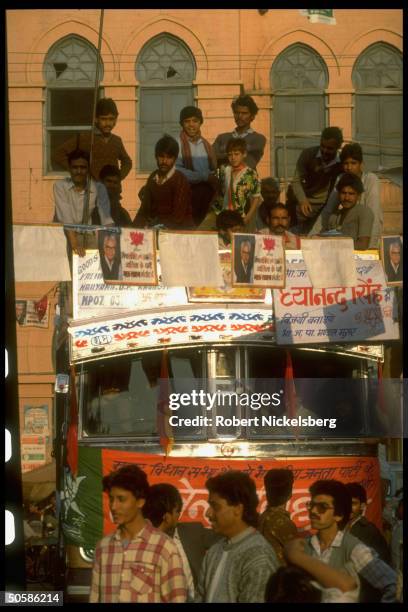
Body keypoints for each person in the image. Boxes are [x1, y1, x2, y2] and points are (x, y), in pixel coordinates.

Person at [89, 464, 187, 603]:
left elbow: (177, 599)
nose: (113, 506)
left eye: (121, 499)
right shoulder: (103, 548)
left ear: (140, 502)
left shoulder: (164, 548)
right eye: (111, 499)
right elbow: (94, 597)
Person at [300, 479, 397, 603]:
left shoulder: (355, 549)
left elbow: (393, 584)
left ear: (338, 515)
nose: (313, 511)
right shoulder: (303, 547)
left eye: (322, 507)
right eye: (311, 505)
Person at [196, 470, 279, 603]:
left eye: (215, 507)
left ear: (238, 509)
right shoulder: (214, 551)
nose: (208, 513)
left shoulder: (258, 556)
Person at [142, 483, 220, 600]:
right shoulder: (139, 547)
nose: (179, 516)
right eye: (177, 511)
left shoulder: (193, 532)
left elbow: (227, 536)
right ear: (167, 517)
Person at [317, 143, 383, 248]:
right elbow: (328, 210)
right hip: (350, 236)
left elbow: (374, 215)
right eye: (346, 163)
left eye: (353, 163)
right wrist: (312, 236)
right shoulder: (341, 179)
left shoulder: (370, 180)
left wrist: (371, 249)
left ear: (361, 164)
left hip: (366, 238)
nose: (349, 167)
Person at [54, 97, 132, 181]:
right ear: (95, 119)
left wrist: (117, 178)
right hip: (89, 189)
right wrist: (78, 172)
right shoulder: (84, 137)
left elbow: (127, 162)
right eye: (103, 119)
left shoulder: (117, 141)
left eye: (111, 119)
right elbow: (58, 154)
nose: (108, 123)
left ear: (116, 119)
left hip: (110, 190)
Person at [53, 149, 114, 257]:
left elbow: (106, 219)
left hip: (87, 234)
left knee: (95, 267)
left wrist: (112, 241)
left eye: (83, 167)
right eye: (75, 167)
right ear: (69, 168)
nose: (79, 171)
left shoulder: (98, 188)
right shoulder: (60, 186)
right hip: (64, 235)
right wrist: (75, 245)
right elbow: (66, 218)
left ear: (88, 169)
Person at [288, 126, 343, 233]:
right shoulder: (308, 154)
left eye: (330, 148)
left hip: (325, 207)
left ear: (339, 146)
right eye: (322, 146)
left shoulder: (341, 163)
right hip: (303, 204)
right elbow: (296, 180)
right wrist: (302, 200)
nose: (325, 151)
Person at [133, 135, 193, 229]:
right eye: (161, 156)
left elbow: (177, 217)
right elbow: (144, 211)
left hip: (180, 231)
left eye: (169, 157)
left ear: (175, 159)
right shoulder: (153, 178)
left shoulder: (180, 180)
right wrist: (133, 229)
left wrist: (152, 227)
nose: (164, 161)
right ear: (156, 156)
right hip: (156, 228)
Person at [201, 137, 261, 231]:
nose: (233, 158)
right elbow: (215, 186)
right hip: (220, 213)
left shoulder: (250, 174)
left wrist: (248, 217)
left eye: (236, 154)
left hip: (238, 216)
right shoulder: (224, 169)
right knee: (205, 232)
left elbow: (256, 197)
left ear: (244, 154)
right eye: (230, 155)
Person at [345, 482, 391, 603]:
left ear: (362, 506)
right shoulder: (340, 528)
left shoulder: (369, 531)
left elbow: (381, 572)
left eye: (353, 503)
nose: (348, 507)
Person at [176, 106, 219, 226]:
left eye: (195, 121)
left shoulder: (206, 145)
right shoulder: (177, 143)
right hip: (187, 194)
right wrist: (204, 176)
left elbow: (213, 169)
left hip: (207, 195)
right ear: (181, 124)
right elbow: (177, 171)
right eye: (187, 121)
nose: (191, 125)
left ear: (201, 123)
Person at [213, 94, 266, 170]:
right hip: (224, 180)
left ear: (252, 116)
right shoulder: (222, 138)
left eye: (244, 113)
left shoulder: (258, 139)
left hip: (246, 180)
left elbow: (249, 163)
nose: (240, 116)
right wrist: (238, 154)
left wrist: (223, 156)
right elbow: (212, 159)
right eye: (236, 113)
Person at [258, 469, 298, 564]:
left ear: (267, 493)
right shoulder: (284, 523)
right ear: (290, 493)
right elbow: (296, 559)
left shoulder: (261, 518)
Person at [327, 173, 374, 250]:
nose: (347, 198)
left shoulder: (364, 212)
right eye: (343, 193)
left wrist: (333, 244)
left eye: (351, 194)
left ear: (359, 196)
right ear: (338, 194)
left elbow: (362, 245)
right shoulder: (335, 215)